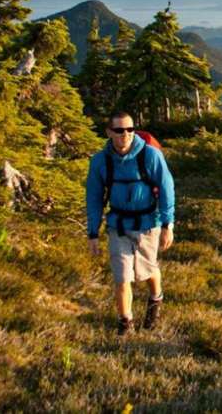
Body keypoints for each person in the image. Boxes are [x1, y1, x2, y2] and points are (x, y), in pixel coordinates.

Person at [86, 112, 176, 335]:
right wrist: (92, 232)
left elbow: (167, 189)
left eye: (129, 129)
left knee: (147, 270)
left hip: (148, 224)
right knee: (122, 276)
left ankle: (156, 299)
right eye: (119, 130)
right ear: (109, 133)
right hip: (118, 225)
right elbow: (94, 197)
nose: (125, 134)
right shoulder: (100, 161)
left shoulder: (151, 156)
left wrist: (168, 224)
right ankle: (126, 323)